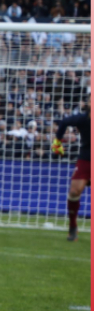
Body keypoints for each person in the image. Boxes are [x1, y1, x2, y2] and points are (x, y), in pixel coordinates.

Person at [54, 102, 90, 242]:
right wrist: (57, 141)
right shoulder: (82, 119)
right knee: (74, 192)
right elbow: (64, 122)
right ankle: (73, 226)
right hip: (86, 159)